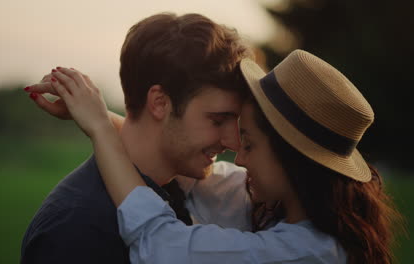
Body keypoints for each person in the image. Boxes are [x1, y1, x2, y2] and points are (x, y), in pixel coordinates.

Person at [48, 49, 403, 264]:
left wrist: (99, 129)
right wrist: (98, 115)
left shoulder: (307, 253)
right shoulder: (289, 207)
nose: (239, 158)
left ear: (291, 159)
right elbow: (178, 155)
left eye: (248, 142)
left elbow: (159, 246)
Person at [20, 12, 255, 263]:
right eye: (218, 120)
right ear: (160, 103)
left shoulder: (184, 190)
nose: (233, 142)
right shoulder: (75, 228)